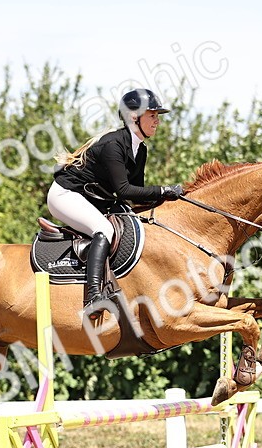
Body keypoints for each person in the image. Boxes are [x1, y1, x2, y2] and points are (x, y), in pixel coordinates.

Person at [48, 88, 186, 321]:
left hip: (92, 198)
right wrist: (164, 190)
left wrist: (172, 200)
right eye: (152, 115)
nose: (157, 121)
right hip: (65, 195)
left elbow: (136, 196)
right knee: (105, 229)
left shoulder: (140, 149)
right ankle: (93, 297)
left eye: (157, 115)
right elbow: (124, 190)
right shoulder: (113, 145)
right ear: (134, 117)